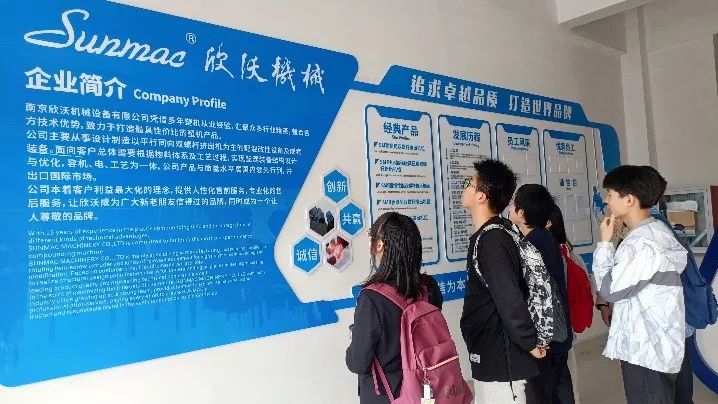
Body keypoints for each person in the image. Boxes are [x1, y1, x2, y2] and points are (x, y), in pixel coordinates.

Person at [593, 165, 687, 404]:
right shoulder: (653, 234)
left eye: (611, 194)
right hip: (653, 347)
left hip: (646, 352)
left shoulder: (642, 244)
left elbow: (610, 290)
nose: (607, 200)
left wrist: (604, 245)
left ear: (630, 200)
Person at [460, 159, 545, 404]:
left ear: (481, 197)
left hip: (502, 359)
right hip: (493, 354)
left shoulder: (493, 240)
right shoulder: (496, 233)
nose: (464, 188)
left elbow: (509, 297)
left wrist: (528, 340)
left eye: (470, 183)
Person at [345, 212, 443, 404]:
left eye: (371, 236)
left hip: (388, 395)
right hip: (426, 389)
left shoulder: (372, 298)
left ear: (380, 245)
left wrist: (353, 340)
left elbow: (358, 363)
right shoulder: (429, 287)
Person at [508, 184, 574, 404]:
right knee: (561, 386)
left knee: (544, 392)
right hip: (559, 333)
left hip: (545, 338)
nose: (509, 207)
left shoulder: (531, 245)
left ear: (521, 213)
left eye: (513, 204)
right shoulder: (546, 238)